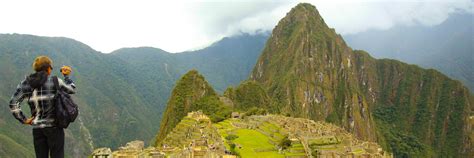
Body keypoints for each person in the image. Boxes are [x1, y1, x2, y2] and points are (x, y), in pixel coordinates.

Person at [8, 56, 75, 158]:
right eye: (51, 68)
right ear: (48, 68)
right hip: (54, 127)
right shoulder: (55, 81)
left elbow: (13, 103)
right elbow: (71, 89)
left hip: (37, 128)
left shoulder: (25, 83)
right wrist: (66, 76)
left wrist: (24, 119)